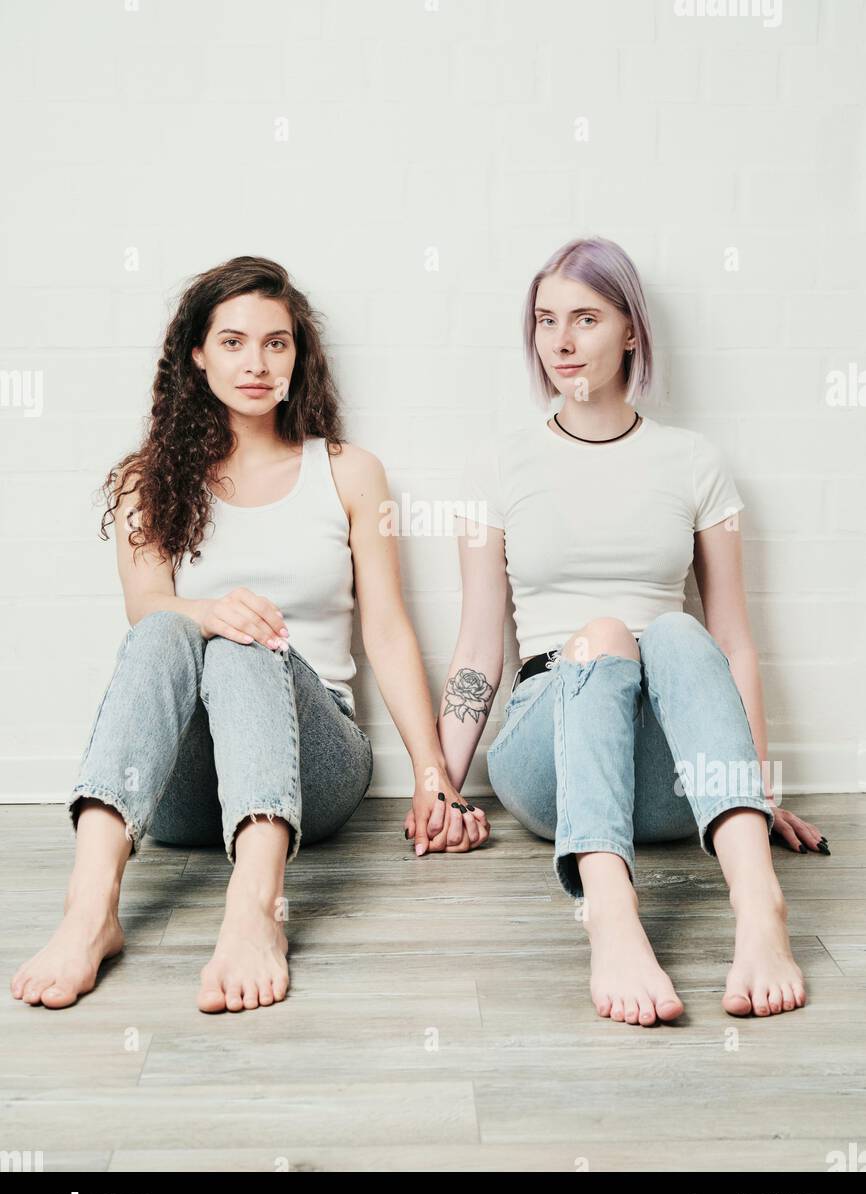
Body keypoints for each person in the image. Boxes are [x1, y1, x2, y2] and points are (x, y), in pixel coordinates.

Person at [11, 255, 488, 1015]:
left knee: (245, 641)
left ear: (300, 354)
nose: (257, 363)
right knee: (171, 630)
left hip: (314, 767)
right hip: (176, 789)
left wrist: (433, 774)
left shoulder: (348, 471)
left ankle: (256, 908)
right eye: (232, 342)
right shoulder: (149, 479)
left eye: (277, 342)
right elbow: (146, 609)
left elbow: (389, 632)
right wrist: (209, 611)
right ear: (196, 355)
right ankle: (89, 910)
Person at [430, 236, 829, 1027]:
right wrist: (439, 785)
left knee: (678, 637)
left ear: (631, 331)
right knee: (608, 631)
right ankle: (610, 917)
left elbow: (734, 641)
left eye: (586, 318)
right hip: (550, 752)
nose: (563, 343)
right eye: (546, 322)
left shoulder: (694, 461)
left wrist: (756, 788)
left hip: (676, 772)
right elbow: (479, 646)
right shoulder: (500, 465)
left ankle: (760, 911)